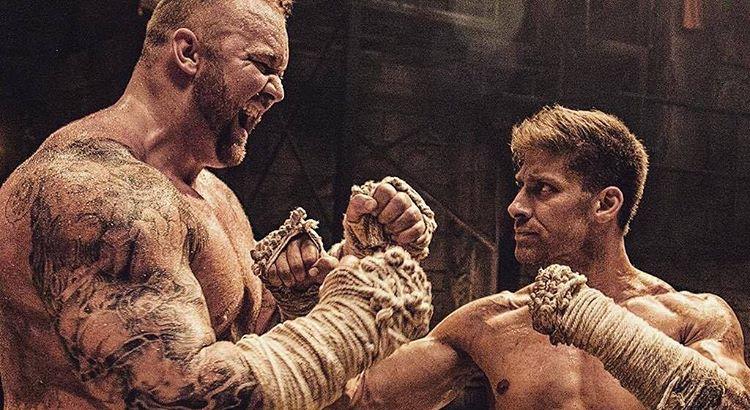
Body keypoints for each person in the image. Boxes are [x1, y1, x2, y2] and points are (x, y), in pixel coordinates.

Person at [0, 0, 437, 408]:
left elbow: (244, 348)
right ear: (188, 53)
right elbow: (178, 393)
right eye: (263, 66)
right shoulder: (92, 189)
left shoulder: (214, 196)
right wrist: (358, 315)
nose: (278, 92)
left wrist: (328, 280)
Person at [337, 105, 750, 409]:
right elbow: (358, 399)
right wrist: (359, 268)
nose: (515, 207)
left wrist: (597, 322)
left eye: (543, 189)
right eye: (520, 187)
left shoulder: (693, 318)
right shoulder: (490, 323)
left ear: (605, 204)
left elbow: (726, 404)